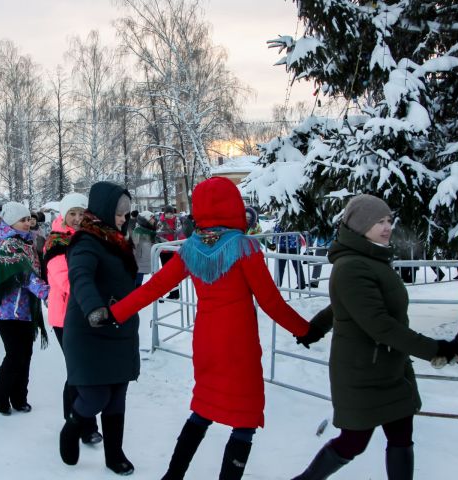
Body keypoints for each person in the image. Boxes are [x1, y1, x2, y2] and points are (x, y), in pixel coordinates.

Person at [109, 177, 311, 480]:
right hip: (238, 345)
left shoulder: (191, 248)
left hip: (206, 343)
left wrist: (116, 312)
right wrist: (305, 330)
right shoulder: (245, 248)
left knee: (203, 409)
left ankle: (172, 476)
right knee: (244, 420)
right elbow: (271, 302)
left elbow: (156, 287)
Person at [289, 194, 458, 480]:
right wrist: (435, 349)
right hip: (363, 374)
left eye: (388, 220)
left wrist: (317, 326)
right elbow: (379, 324)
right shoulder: (352, 266)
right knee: (353, 442)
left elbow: (346, 305)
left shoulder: (371, 257)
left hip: (389, 368)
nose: (386, 227)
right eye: (377, 221)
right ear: (358, 226)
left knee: (402, 436)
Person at [58, 181, 137, 476]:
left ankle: (114, 455)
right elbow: (80, 276)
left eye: (127, 213)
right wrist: (94, 308)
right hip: (90, 327)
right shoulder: (86, 241)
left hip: (118, 326)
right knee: (96, 396)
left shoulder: (118, 239)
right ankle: (72, 427)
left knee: (117, 396)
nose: (124, 218)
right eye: (119, 213)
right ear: (105, 209)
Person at [43, 192, 103, 444]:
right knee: (79, 371)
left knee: (85, 370)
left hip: (87, 311)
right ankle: (81, 425)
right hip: (66, 315)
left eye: (82, 213)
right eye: (73, 214)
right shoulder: (56, 242)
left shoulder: (91, 237)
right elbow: (67, 280)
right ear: (63, 215)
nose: (78, 219)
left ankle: (80, 421)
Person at [0, 202, 49, 416]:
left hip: (25, 310)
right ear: (10, 222)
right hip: (7, 312)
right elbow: (24, 275)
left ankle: (19, 397)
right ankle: (0, 395)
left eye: (28, 219)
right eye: (22, 220)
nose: (27, 223)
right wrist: (47, 292)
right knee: (15, 355)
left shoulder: (26, 243)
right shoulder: (8, 244)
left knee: (26, 354)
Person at [156, 205, 184, 299]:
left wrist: (176, 242)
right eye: (167, 213)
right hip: (164, 250)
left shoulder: (177, 220)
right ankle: (170, 292)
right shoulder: (161, 221)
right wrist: (168, 242)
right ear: (165, 213)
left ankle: (175, 293)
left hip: (174, 249)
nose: (169, 215)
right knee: (167, 272)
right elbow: (158, 235)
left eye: (171, 213)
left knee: (174, 272)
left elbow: (180, 233)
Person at [271, 220, 307, 289]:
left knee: (281, 267)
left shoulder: (282, 218)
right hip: (294, 245)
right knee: (297, 265)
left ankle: (278, 284)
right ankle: (301, 284)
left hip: (285, 246)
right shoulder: (296, 218)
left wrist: (273, 247)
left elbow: (276, 233)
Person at [131, 211, 157, 287]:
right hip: (139, 260)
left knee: (141, 281)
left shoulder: (150, 230)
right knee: (137, 282)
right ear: (146, 219)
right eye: (152, 218)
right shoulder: (138, 230)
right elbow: (135, 245)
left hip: (146, 259)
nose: (154, 220)